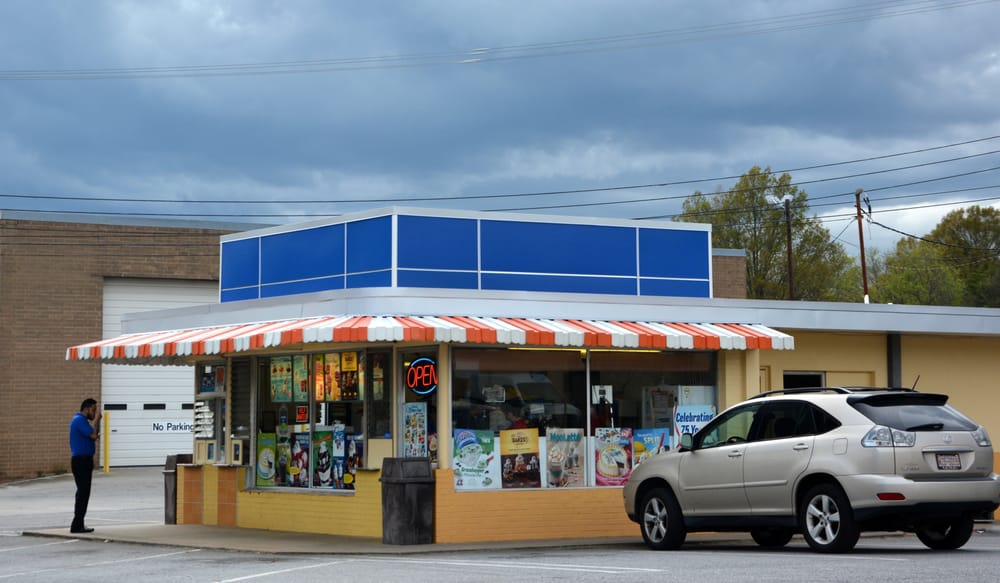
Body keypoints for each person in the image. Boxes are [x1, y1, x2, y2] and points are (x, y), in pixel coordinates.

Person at [69, 398, 101, 533]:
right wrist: (98, 421)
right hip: (81, 461)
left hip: (85, 461)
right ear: (86, 408)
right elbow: (94, 435)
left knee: (84, 493)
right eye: (93, 410)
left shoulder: (84, 422)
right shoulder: (79, 420)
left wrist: (97, 422)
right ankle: (77, 525)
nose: (94, 413)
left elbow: (94, 434)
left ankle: (79, 523)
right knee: (82, 493)